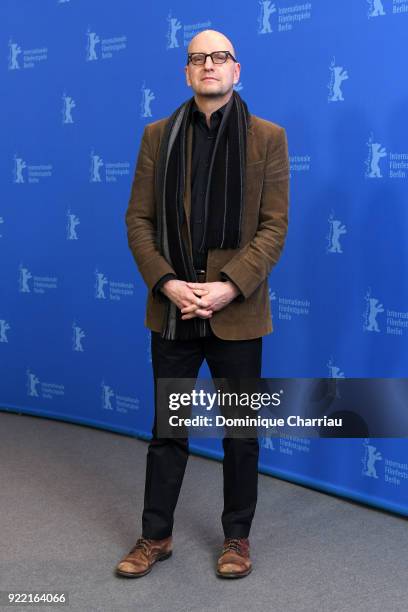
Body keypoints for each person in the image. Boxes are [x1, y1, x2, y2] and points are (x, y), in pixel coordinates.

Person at [116, 29, 289, 579]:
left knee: (240, 433)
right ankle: (155, 536)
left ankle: (236, 539)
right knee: (168, 431)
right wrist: (167, 282)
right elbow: (139, 221)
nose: (208, 65)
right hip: (172, 312)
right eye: (197, 59)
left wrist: (229, 285)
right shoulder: (156, 136)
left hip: (236, 312)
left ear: (237, 70)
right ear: (186, 74)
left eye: (219, 57)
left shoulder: (267, 138)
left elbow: (273, 227)